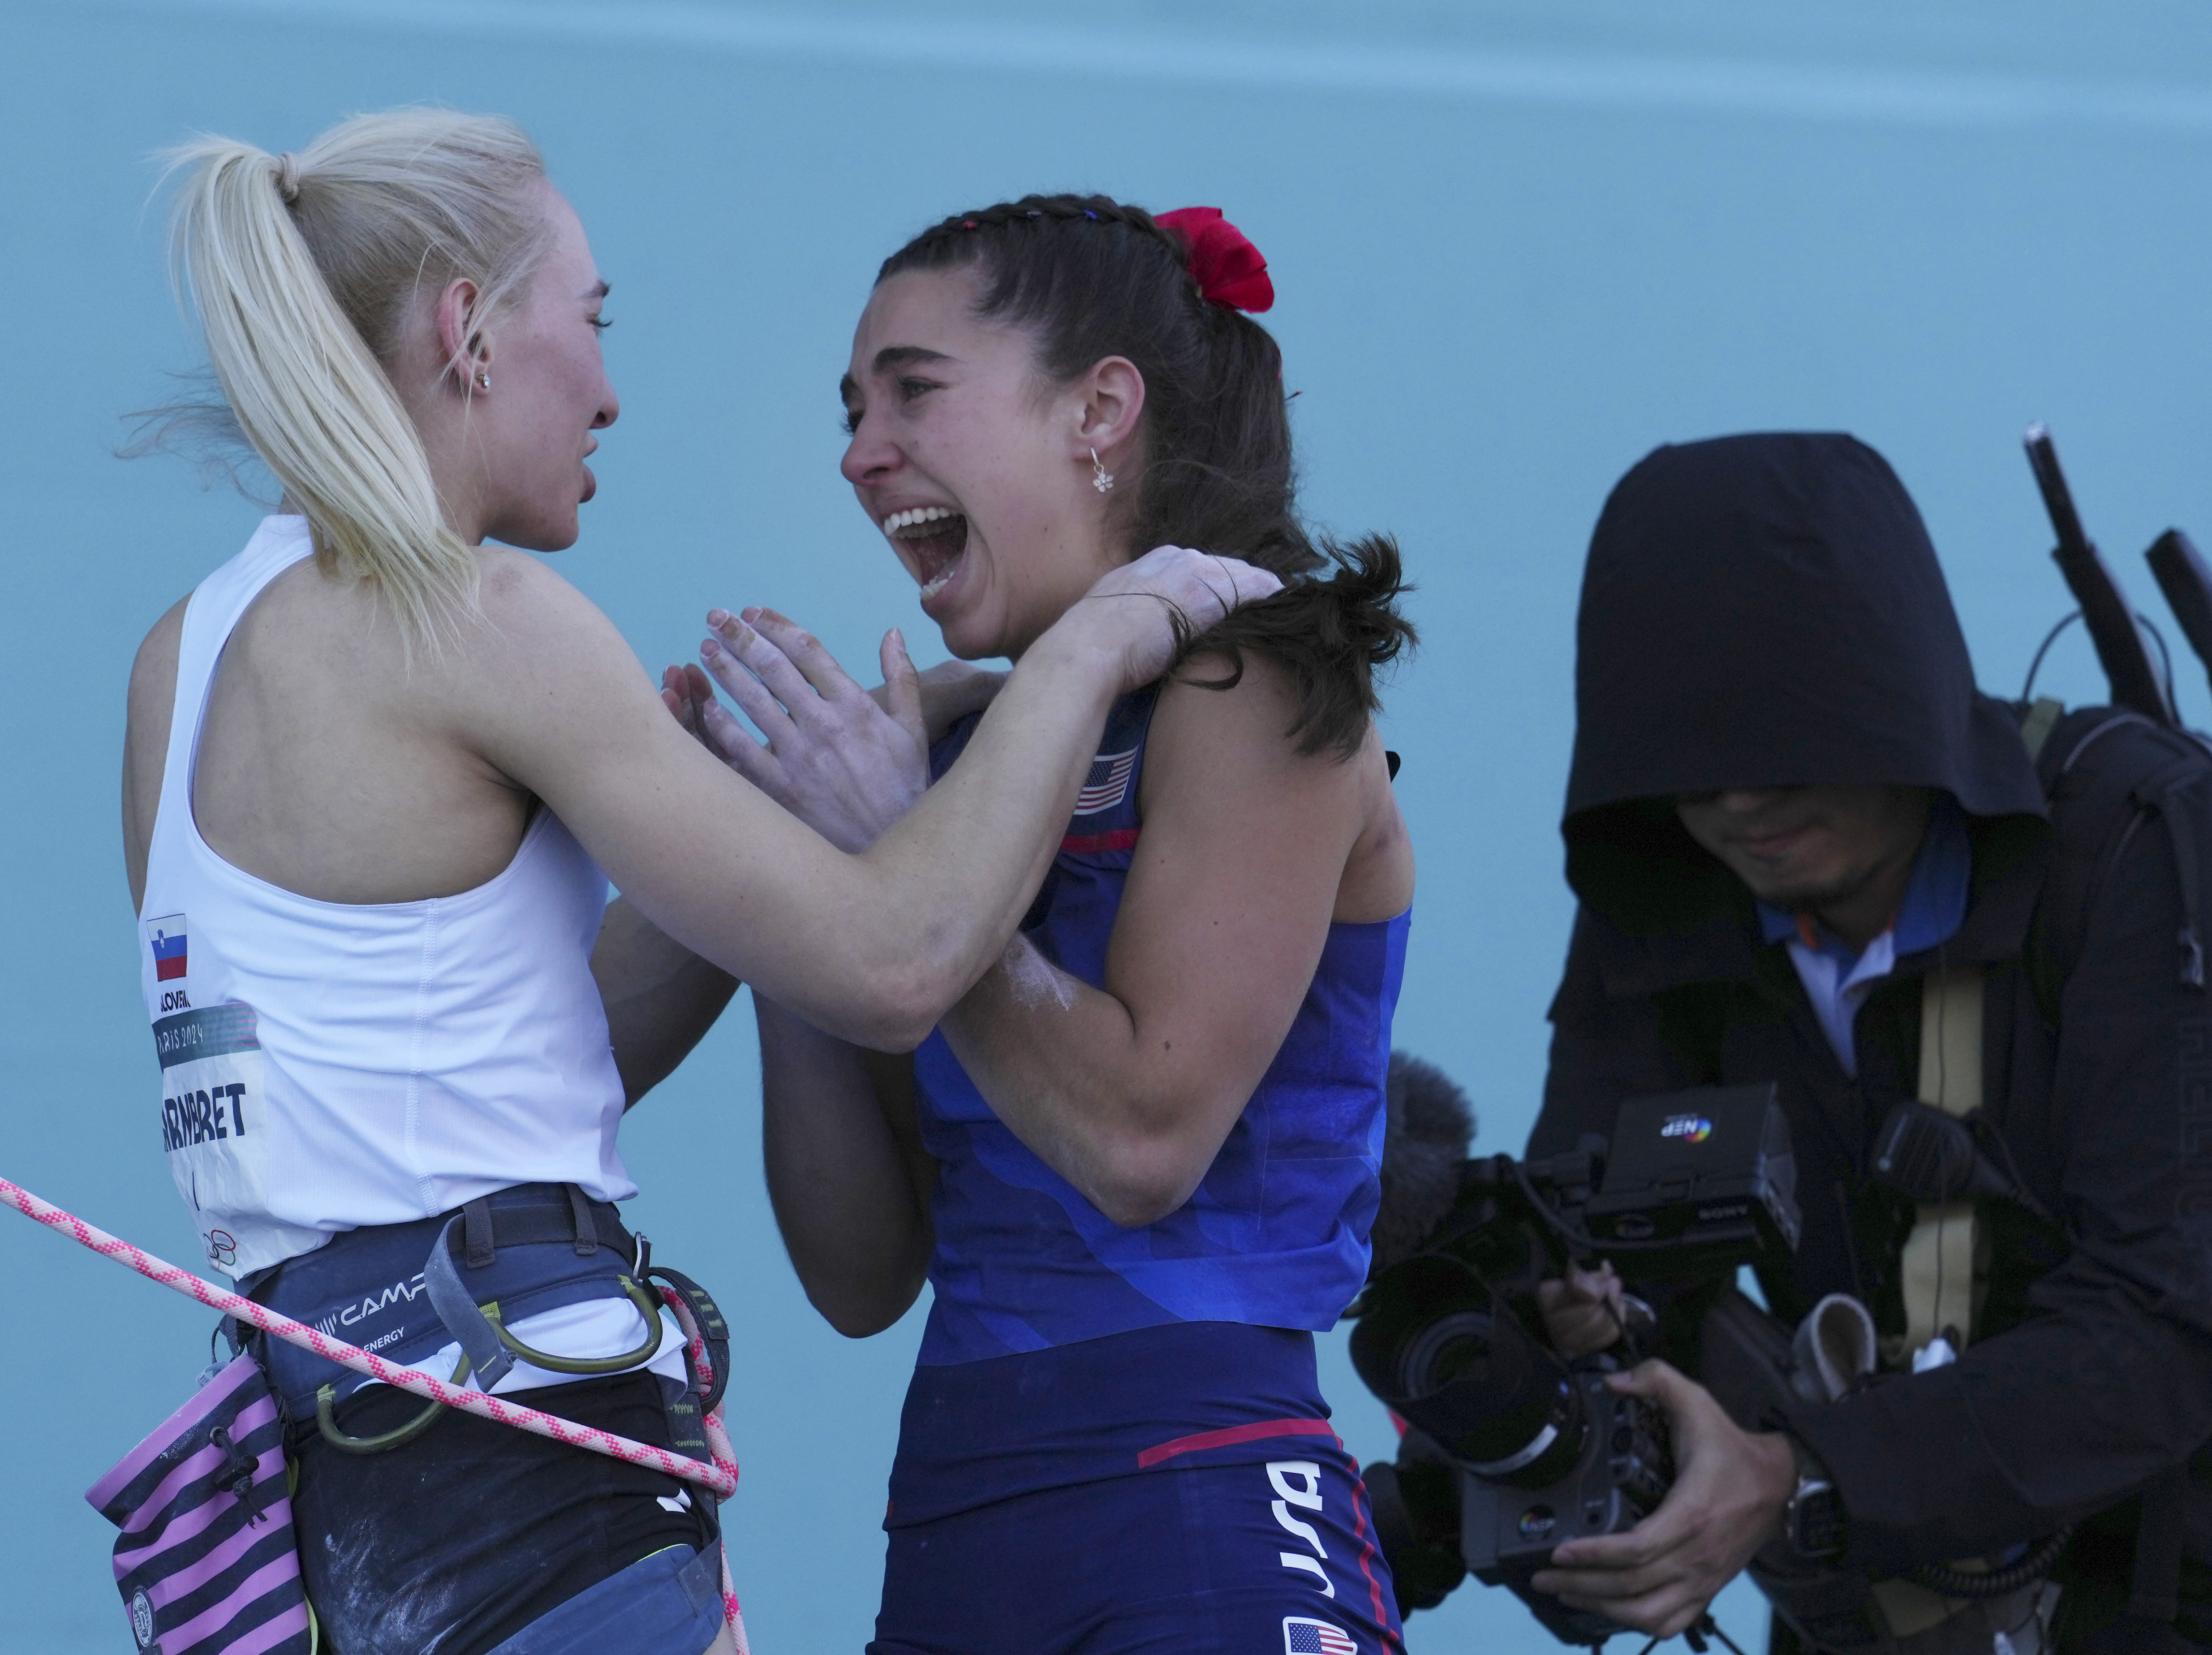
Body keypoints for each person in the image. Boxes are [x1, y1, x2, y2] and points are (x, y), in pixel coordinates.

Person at [120, 114, 1274, 1655]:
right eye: (588, 326)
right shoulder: (477, 616)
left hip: (334, 1508)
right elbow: (901, 958)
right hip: (526, 1496)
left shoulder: (183, 657)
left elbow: (486, 1062)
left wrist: (758, 823)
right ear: (469, 329)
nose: (607, 392)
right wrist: (1097, 643)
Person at [685, 194, 1418, 1655]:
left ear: (1100, 412)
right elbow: (858, 1274)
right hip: (955, 1513)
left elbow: (1143, 1144)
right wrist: (802, 894)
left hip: (1203, 1500)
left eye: (913, 389)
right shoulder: (958, 764)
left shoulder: (1255, 687)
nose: (858, 452)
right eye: (851, 409)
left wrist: (897, 864)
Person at [1523, 433, 2212, 1653]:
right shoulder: (1667, 898)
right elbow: (1613, 1259)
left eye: (1786, 739)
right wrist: (1565, 1366)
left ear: (1897, 698)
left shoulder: (2135, 848)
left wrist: (1797, 1473)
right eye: (1691, 757)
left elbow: (2164, 1325)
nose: (1740, 801)